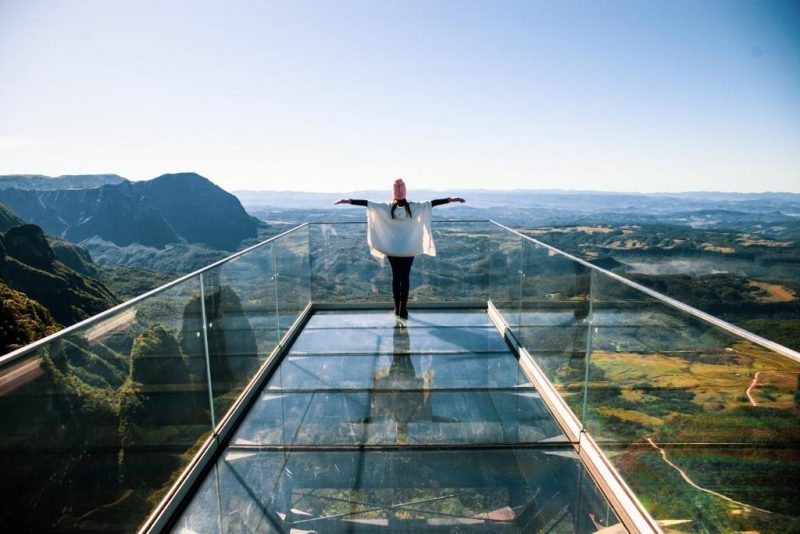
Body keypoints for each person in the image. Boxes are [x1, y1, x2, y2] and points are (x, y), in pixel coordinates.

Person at [335, 178, 465, 318]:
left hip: (393, 250)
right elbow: (432, 203)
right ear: (405, 192)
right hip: (409, 250)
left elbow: (367, 203)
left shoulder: (386, 208)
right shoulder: (414, 207)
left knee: (396, 278)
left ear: (394, 193)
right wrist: (451, 199)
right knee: (405, 278)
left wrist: (348, 201)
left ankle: (397, 308)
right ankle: (403, 309)